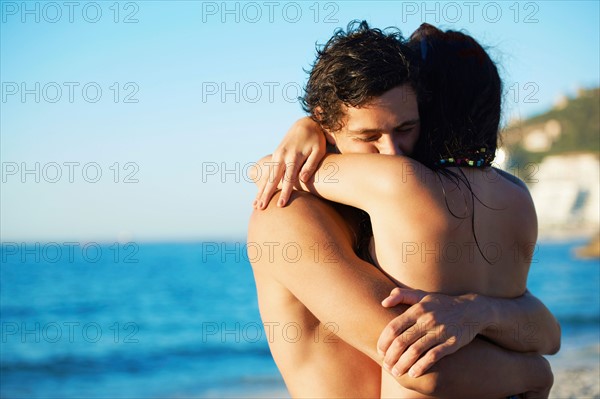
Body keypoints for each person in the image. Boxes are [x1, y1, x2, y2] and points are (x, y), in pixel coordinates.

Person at [248, 21, 559, 398]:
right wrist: (534, 373)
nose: (393, 153)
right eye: (368, 137)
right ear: (327, 126)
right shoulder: (287, 214)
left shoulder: (390, 202)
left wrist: (477, 311)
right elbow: (416, 364)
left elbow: (546, 329)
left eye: (408, 128)